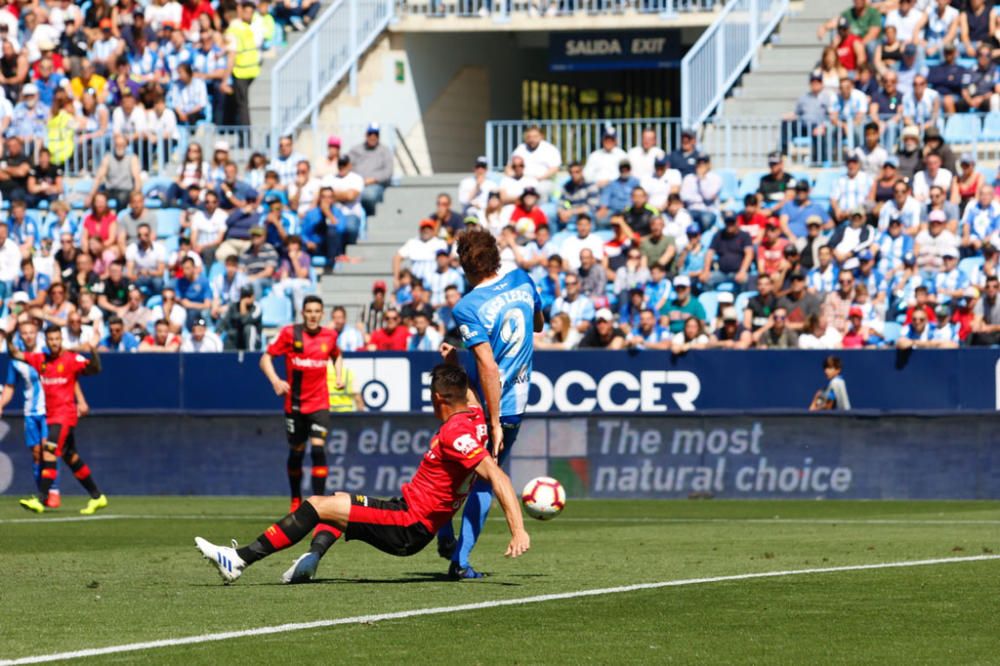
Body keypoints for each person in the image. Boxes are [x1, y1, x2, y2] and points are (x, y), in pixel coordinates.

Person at [195, 363, 529, 585]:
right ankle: (311, 559)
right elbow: (468, 390)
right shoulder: (474, 416)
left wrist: (518, 531)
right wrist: (452, 359)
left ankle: (238, 559)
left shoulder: (455, 434)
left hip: (408, 525)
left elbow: (498, 478)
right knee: (338, 500)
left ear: (439, 398)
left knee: (317, 504)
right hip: (408, 513)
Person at [434, 228, 542, 580]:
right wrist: (496, 422)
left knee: (456, 466)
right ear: (495, 255)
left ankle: (446, 534)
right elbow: (536, 324)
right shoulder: (523, 279)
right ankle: (459, 560)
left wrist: (489, 417)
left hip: (480, 402)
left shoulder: (467, 307)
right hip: (510, 404)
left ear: (464, 265)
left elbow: (488, 363)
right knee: (484, 479)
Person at [259, 295, 343, 513]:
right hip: (294, 405)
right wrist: (276, 381)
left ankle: (319, 505)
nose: (313, 315)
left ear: (322, 314)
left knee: (318, 449)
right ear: (303, 313)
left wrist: (339, 376)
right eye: (309, 311)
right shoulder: (290, 333)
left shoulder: (330, 336)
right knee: (297, 452)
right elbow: (265, 358)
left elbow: (337, 355)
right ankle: (296, 498)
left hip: (319, 403)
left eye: (317, 311)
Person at [11, 326, 107, 515]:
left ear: (61, 339)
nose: (54, 342)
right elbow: (16, 354)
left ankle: (41, 498)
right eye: (51, 339)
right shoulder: (42, 360)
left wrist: (93, 349)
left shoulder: (71, 359)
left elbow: (95, 368)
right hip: (52, 415)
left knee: (49, 450)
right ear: (46, 341)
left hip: (65, 416)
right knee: (71, 457)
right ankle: (97, 497)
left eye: (57, 339)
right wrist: (7, 335)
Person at [0, 319, 59, 507]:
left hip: (49, 410)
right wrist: (1, 404)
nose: (28, 336)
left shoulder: (47, 354)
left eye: (31, 332)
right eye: (24, 333)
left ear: (37, 334)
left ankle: (53, 490)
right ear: (20, 336)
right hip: (30, 411)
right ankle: (42, 495)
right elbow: (10, 387)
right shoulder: (17, 361)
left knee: (47, 449)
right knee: (36, 453)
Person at [222, 0, 259, 129]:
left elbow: (232, 55)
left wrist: (224, 80)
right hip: (253, 69)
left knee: (242, 105)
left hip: (241, 71)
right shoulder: (245, 27)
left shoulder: (232, 30)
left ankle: (245, 138)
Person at [348, 123, 394, 217]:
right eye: (370, 134)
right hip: (356, 184)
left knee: (368, 196)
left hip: (375, 186)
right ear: (366, 135)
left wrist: (373, 179)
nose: (373, 137)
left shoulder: (385, 151)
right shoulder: (355, 150)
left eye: (375, 134)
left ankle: (371, 222)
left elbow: (388, 171)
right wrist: (357, 180)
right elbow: (347, 165)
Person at [219, 284, 262, 350]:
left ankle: (250, 355)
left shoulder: (257, 308)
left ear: (253, 296)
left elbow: (244, 320)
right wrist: (217, 333)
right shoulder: (234, 306)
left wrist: (243, 304)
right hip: (237, 338)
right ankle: (228, 358)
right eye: (243, 296)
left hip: (254, 340)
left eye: (248, 296)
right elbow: (224, 321)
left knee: (249, 328)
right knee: (230, 333)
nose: (245, 298)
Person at [969, 275, 1000, 346]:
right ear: (985, 288)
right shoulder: (981, 301)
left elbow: (989, 328)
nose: (991, 289)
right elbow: (977, 319)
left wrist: (991, 328)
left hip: (996, 332)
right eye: (988, 287)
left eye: (994, 287)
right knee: (972, 336)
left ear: (998, 288)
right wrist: (977, 325)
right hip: (989, 334)